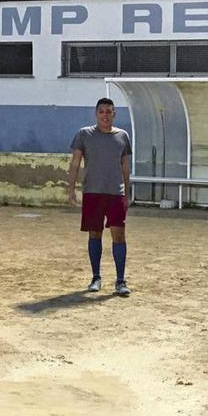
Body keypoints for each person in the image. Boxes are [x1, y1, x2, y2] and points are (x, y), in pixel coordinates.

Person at [67, 97, 133, 296]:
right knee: (94, 233)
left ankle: (120, 281)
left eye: (109, 111)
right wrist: (71, 188)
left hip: (115, 193)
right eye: (102, 111)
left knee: (119, 234)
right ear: (96, 114)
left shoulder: (123, 136)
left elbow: (125, 166)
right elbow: (75, 162)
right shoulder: (84, 134)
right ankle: (96, 277)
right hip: (93, 192)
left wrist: (127, 193)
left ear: (114, 114)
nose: (105, 115)